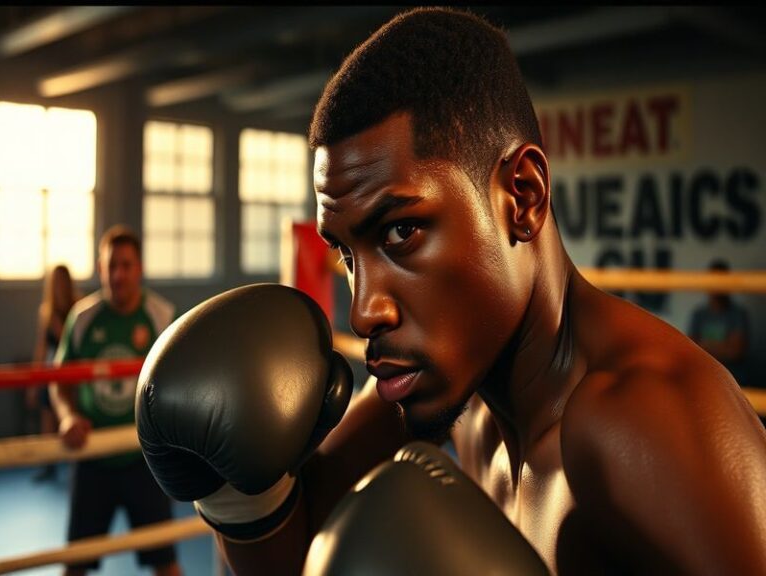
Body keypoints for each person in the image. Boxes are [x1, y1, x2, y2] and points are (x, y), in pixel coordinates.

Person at [135, 7, 766, 576]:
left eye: (402, 231)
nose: (363, 311)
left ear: (522, 196)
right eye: (348, 255)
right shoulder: (451, 386)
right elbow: (287, 562)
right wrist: (238, 494)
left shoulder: (644, 423)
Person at [50, 225, 182, 576]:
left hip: (145, 460)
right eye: (112, 266)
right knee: (74, 564)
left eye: (126, 265)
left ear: (139, 268)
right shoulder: (82, 319)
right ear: (100, 268)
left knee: (166, 563)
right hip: (94, 456)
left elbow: (180, 384)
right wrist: (67, 416)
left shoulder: (162, 317)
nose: (118, 275)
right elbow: (59, 383)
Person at [27, 264, 79, 482]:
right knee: (47, 418)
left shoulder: (77, 308)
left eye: (62, 281)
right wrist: (33, 381)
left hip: (70, 372)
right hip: (50, 373)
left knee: (71, 417)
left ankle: (76, 462)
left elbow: (74, 344)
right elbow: (41, 347)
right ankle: (49, 466)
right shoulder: (47, 311)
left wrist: (61, 330)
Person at [689, 259, 751, 385]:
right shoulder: (699, 314)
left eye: (720, 281)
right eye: (713, 280)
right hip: (704, 378)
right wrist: (723, 346)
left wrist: (704, 346)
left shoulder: (738, 314)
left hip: (733, 382)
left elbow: (736, 352)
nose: (716, 286)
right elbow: (690, 349)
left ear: (728, 283)